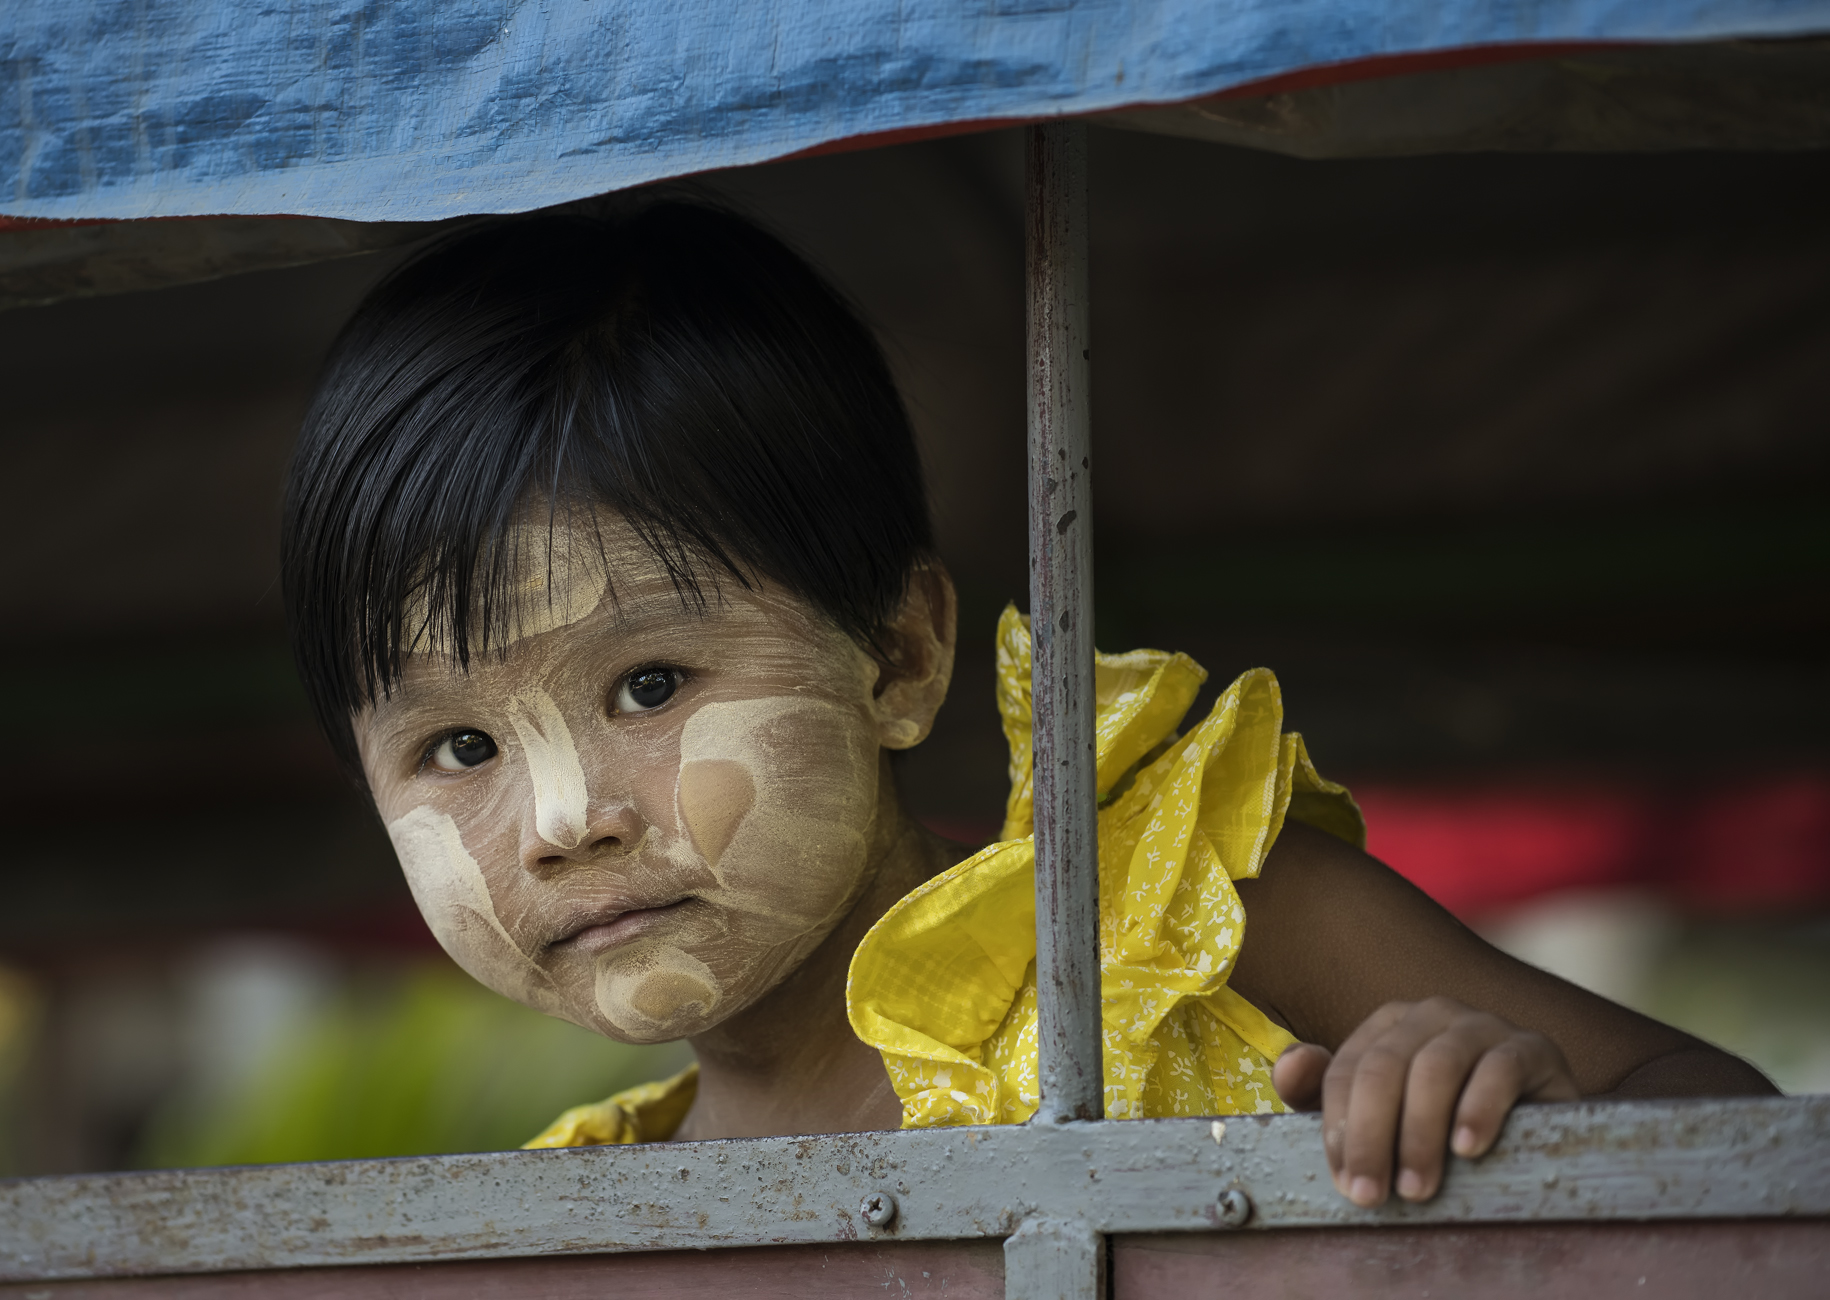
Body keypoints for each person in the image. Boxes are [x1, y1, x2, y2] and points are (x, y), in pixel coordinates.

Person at [280, 202, 1772, 1210]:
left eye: (651, 684)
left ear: (902, 659)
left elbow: (1724, 1128)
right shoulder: (572, 1214)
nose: (562, 821)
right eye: (454, 746)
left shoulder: (1178, 911)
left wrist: (1512, 1109)